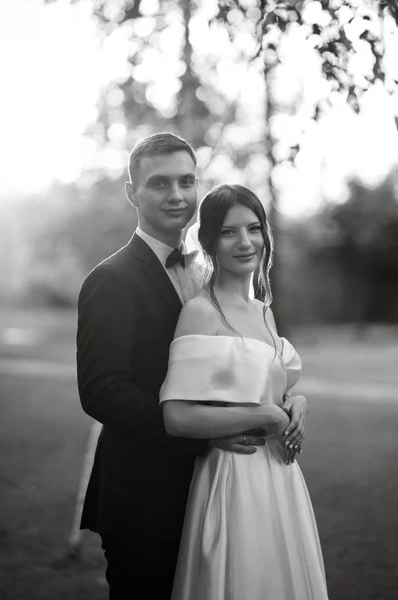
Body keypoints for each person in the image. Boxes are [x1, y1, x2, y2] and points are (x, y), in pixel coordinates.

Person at [76, 133, 307, 599]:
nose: (176, 195)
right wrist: (199, 432)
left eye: (186, 181)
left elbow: (237, 369)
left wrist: (288, 400)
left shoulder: (210, 274)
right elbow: (101, 390)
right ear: (132, 193)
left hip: (218, 487)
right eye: (159, 184)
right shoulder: (111, 279)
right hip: (145, 493)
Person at [160, 184, 328, 600]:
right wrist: (266, 417)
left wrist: (296, 403)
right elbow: (176, 416)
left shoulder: (264, 311)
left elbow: (269, 385)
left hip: (283, 480)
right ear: (209, 242)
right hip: (234, 475)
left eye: (253, 228)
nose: (245, 242)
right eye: (229, 232)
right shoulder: (201, 311)